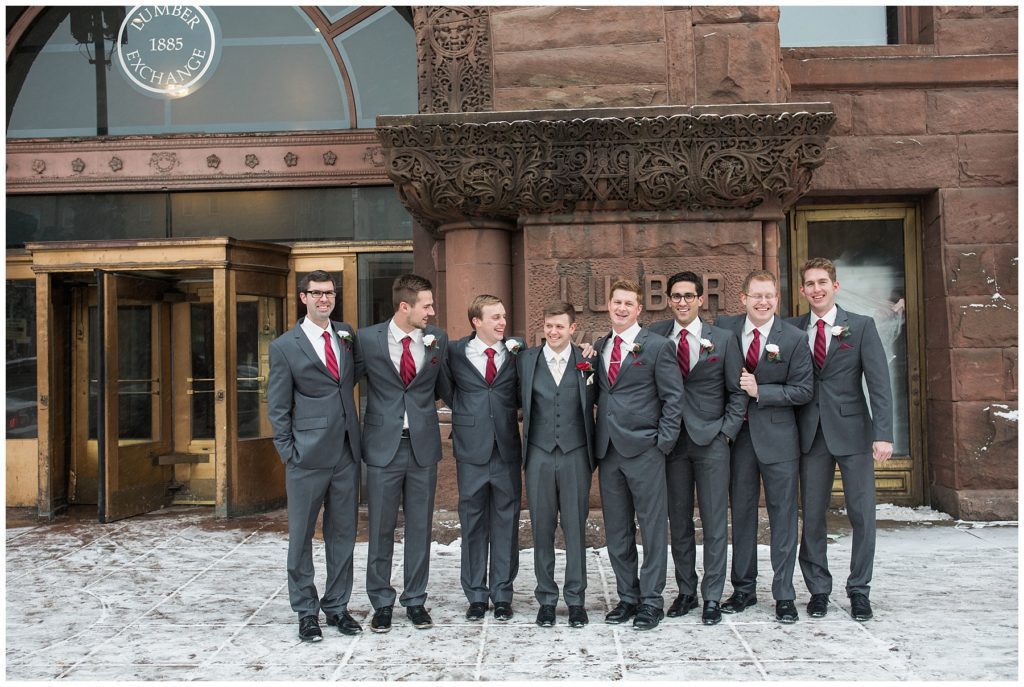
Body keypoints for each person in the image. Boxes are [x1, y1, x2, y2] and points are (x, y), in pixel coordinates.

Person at [788, 257, 894, 622]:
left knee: (862, 515)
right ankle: (818, 590)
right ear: (802, 291)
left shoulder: (861, 327)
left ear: (835, 286)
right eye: (810, 284)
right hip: (810, 435)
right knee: (813, 516)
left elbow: (879, 383)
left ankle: (859, 590)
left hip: (853, 433)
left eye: (822, 282)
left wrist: (883, 434)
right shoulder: (792, 329)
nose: (816, 289)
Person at [267, 270, 364, 642]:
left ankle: (337, 606)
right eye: (317, 293)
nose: (325, 299)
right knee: (302, 536)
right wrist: (288, 451)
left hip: (345, 452)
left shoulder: (346, 334)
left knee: (343, 534)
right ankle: (306, 611)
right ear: (303, 297)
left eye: (330, 293)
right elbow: (277, 405)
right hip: (306, 455)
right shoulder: (285, 346)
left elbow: (346, 382)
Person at [647, 271, 747, 626]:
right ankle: (686, 591)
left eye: (689, 295)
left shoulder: (722, 338)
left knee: (715, 521)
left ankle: (711, 597)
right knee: (679, 523)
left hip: (712, 442)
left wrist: (726, 434)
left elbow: (737, 393)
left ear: (701, 299)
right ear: (669, 300)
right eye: (676, 296)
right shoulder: (655, 336)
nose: (683, 302)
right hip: (672, 444)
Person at [354, 274, 450, 633]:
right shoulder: (366, 340)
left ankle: (415, 600)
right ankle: (381, 602)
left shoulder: (436, 339)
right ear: (404, 306)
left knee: (420, 528)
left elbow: (447, 387)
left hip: (423, 446)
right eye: (426, 305)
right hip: (383, 448)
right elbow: (342, 384)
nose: (432, 311)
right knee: (380, 528)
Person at [716, 269, 813, 623]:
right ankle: (743, 589)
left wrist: (763, 392)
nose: (763, 301)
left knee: (783, 517)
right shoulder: (724, 329)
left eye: (769, 296)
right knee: (741, 515)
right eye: (756, 295)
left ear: (777, 299)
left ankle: (784, 594)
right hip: (738, 439)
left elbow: (804, 390)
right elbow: (674, 334)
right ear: (743, 298)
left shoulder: (794, 338)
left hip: (779, 440)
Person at [593, 279, 684, 631]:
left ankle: (651, 600)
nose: (621, 308)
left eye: (628, 304)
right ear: (609, 304)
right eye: (616, 302)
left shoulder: (657, 346)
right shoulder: (600, 346)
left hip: (645, 448)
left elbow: (673, 398)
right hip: (609, 451)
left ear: (639, 309)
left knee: (651, 527)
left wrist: (662, 442)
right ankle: (627, 597)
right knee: (616, 529)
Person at [442, 295, 524, 622]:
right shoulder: (455, 352)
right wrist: (470, 415)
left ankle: (502, 594)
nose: (502, 322)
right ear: (477, 321)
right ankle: (476, 594)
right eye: (494, 317)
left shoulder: (517, 351)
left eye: (503, 316)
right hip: (470, 449)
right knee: (473, 523)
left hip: (505, 448)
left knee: (507, 522)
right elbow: (448, 390)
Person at [517, 301, 596, 629]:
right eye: (549, 325)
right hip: (538, 453)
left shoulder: (588, 361)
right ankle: (546, 599)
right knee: (542, 528)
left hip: (576, 452)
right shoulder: (526, 360)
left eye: (560, 326)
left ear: (572, 328)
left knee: (575, 528)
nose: (553, 332)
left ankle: (576, 600)